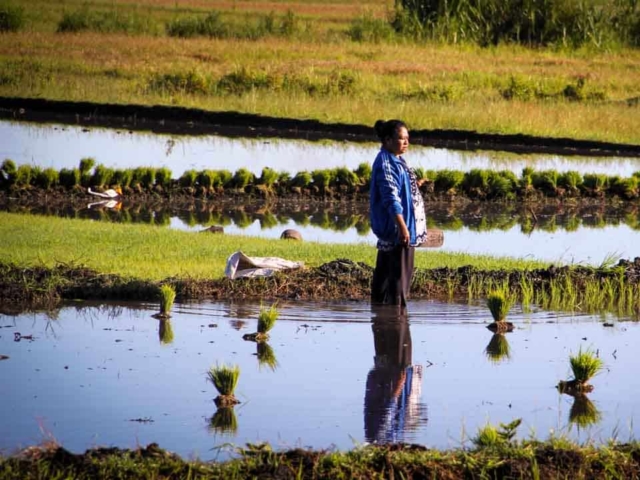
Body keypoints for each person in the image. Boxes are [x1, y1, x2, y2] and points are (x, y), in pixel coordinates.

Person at [370, 119, 427, 306]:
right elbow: (391, 198)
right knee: (398, 287)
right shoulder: (387, 162)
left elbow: (399, 190)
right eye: (401, 139)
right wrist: (402, 227)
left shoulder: (396, 159)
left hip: (397, 231)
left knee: (386, 282)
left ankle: (383, 325)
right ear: (387, 140)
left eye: (407, 139)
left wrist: (415, 186)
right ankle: (396, 325)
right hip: (398, 232)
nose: (406, 143)